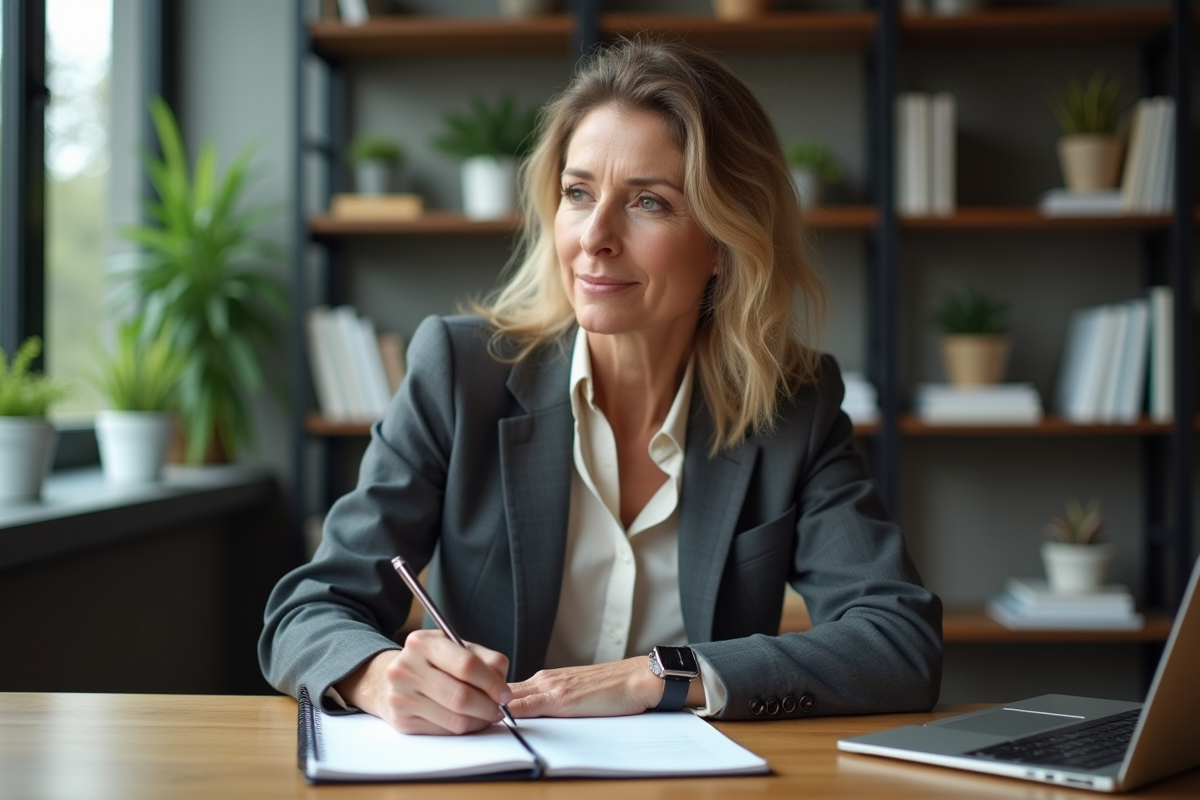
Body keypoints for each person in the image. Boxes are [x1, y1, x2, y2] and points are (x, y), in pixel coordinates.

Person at [260, 36, 942, 735]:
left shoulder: (793, 404)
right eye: (578, 193)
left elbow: (899, 642)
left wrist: (658, 677)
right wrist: (377, 677)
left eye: (648, 202)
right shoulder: (460, 373)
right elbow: (308, 611)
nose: (595, 237)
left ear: (723, 242)